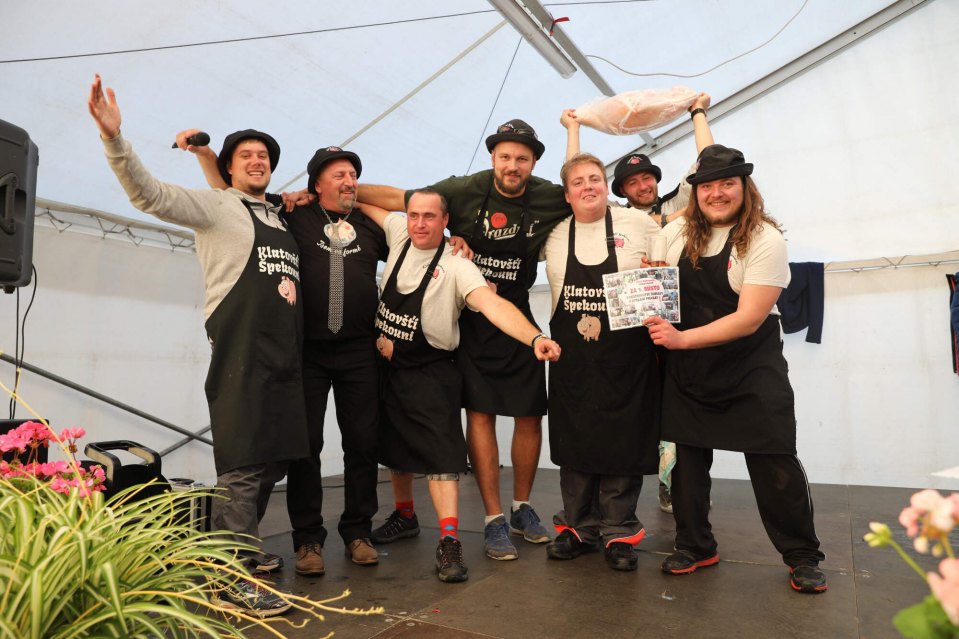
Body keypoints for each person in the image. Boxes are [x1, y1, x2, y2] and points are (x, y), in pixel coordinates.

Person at [87, 74, 302, 616]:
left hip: (285, 357)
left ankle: (243, 548)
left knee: (272, 460)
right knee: (243, 461)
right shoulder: (216, 208)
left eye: (263, 155)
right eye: (245, 155)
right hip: (240, 353)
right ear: (229, 168)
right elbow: (149, 194)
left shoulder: (279, 215)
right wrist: (114, 139)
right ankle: (228, 575)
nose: (256, 161)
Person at [358, 120, 570, 560]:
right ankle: (493, 519)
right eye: (505, 156)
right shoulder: (463, 189)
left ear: (534, 163)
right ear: (493, 157)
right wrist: (340, 190)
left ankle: (522, 507)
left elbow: (590, 195)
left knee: (530, 415)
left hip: (515, 313)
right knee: (480, 415)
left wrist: (534, 337)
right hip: (471, 323)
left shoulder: (550, 195)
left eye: (522, 158)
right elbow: (400, 199)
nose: (512, 165)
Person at [182, 140, 388, 574]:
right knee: (304, 447)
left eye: (353, 174)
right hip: (306, 352)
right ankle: (308, 540)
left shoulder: (371, 225)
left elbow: (417, 238)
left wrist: (456, 239)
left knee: (363, 444)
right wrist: (207, 158)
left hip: (359, 352)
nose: (349, 181)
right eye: (339, 175)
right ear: (316, 184)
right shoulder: (288, 213)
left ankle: (358, 532)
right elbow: (230, 193)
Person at [645, 144, 828, 593]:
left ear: (745, 187)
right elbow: (659, 292)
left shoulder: (766, 239)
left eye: (727, 183)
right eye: (707, 186)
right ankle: (695, 545)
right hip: (690, 370)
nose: (717, 193)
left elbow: (748, 318)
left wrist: (681, 339)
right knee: (686, 464)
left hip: (750, 366)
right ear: (695, 192)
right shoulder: (675, 232)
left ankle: (802, 556)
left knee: (774, 460)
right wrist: (651, 285)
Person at [561, 92, 715, 514]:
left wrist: (698, 113)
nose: (643, 185)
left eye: (647, 178)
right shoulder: (617, 217)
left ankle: (678, 486)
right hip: (634, 331)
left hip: (683, 320)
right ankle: (623, 496)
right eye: (633, 182)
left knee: (682, 409)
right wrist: (574, 128)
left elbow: (709, 164)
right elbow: (576, 180)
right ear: (621, 190)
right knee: (638, 409)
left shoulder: (683, 204)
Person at [540, 153, 661, 571]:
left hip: (628, 359)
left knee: (623, 444)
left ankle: (619, 533)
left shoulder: (639, 224)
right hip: (572, 361)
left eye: (595, 178)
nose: (588, 186)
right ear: (567, 194)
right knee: (575, 442)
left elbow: (668, 266)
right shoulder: (555, 233)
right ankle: (577, 528)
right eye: (578, 182)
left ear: (606, 186)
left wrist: (660, 270)